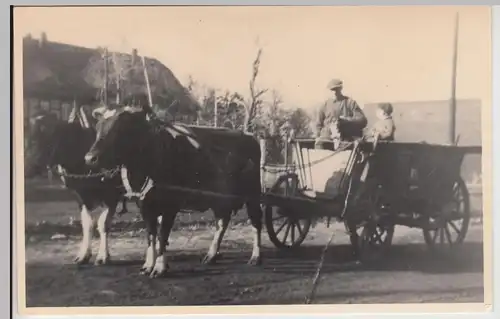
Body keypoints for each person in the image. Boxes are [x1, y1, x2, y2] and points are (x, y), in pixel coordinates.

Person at [314, 79, 367, 149]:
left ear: (341, 88)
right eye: (332, 90)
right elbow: (318, 125)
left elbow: (362, 120)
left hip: (346, 139)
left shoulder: (350, 103)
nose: (334, 92)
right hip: (327, 140)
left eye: (336, 89)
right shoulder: (324, 105)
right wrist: (318, 137)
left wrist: (347, 120)